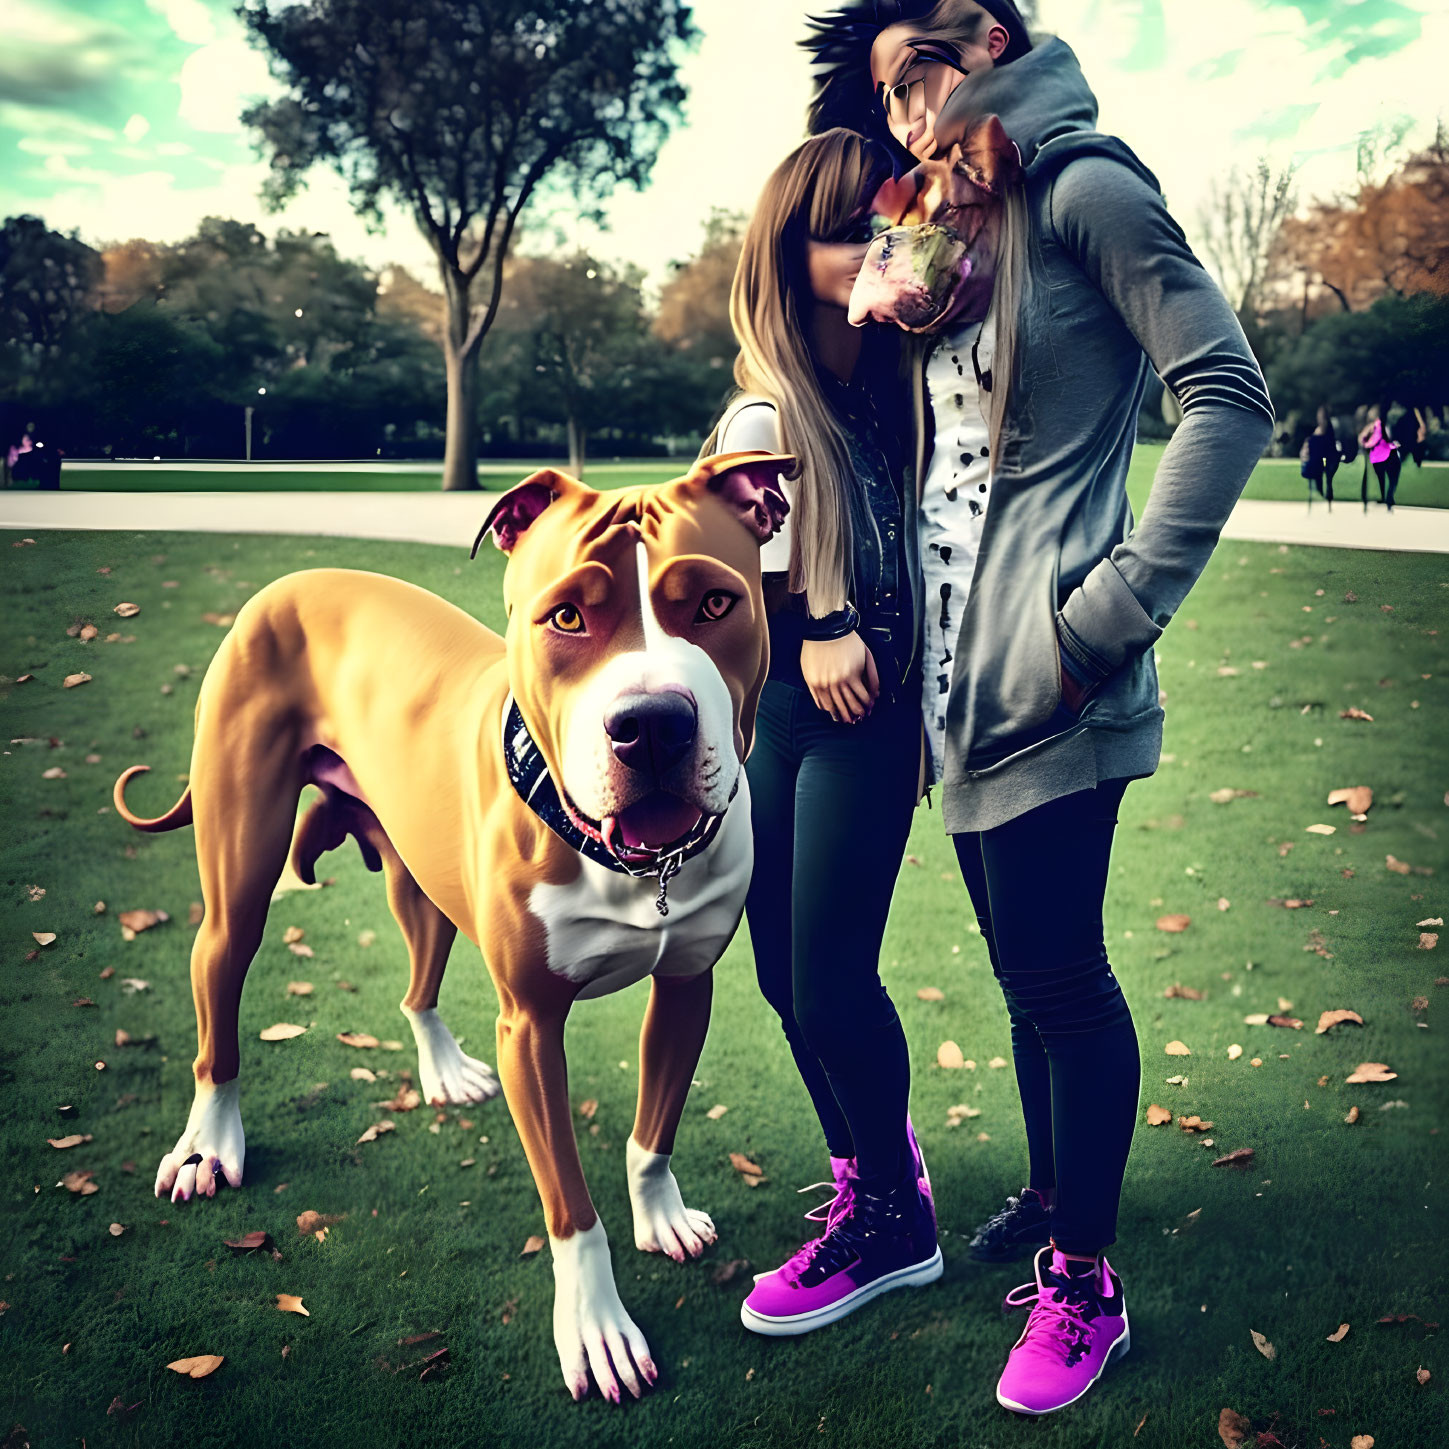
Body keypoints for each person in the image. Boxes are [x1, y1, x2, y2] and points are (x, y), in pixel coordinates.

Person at [800, 0, 1274, 1415]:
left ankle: (1085, 1282)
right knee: (1022, 971)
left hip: (1056, 667)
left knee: (1062, 975)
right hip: (962, 675)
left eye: (919, 74)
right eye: (882, 96)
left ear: (994, 39)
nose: (903, 112)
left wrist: (1106, 617)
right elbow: (860, 328)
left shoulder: (1082, 185)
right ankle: (1058, 1191)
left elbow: (1227, 393)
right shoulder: (943, 222)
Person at [702, 128, 940, 1336]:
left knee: (833, 974)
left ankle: (897, 1221)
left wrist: (845, 624)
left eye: (879, 226)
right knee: (783, 976)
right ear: (789, 255)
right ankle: (871, 1176)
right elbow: (740, 585)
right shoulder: (765, 407)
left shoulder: (910, 377)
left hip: (865, 717)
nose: (867, 250)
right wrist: (812, 615)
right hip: (779, 723)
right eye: (842, 229)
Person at [1359, 403, 1401, 510]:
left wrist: (1365, 443)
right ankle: (1387, 498)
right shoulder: (1377, 425)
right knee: (1390, 479)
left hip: (1379, 458)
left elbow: (1366, 439)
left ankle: (1386, 498)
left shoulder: (1376, 426)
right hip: (1384, 456)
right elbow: (1369, 439)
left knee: (1385, 479)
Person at [1299, 406, 1341, 507]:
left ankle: (1322, 493)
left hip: (1324, 459)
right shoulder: (1320, 429)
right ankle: (1322, 493)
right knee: (1320, 474)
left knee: (1322, 473)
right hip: (1320, 459)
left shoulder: (1327, 428)